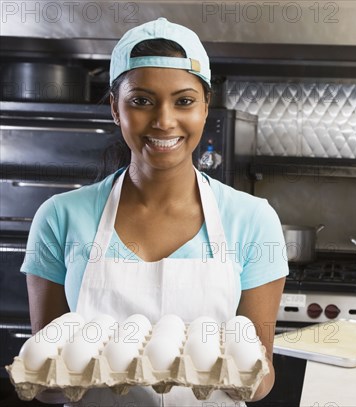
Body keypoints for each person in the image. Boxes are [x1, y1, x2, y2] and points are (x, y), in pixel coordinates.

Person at [22, 18, 288, 406]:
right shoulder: (59, 217)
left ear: (205, 106)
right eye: (141, 101)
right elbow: (45, 382)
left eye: (184, 101)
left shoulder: (252, 220)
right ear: (115, 108)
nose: (164, 121)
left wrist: (236, 371)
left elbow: (261, 379)